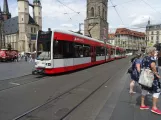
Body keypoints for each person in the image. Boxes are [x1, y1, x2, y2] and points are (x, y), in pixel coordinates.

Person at [140, 47, 161, 115]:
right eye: (155, 51)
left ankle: (142, 105)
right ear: (151, 52)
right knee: (157, 91)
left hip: (145, 78)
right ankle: (154, 108)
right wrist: (157, 74)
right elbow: (153, 66)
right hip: (152, 78)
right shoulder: (151, 58)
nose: (156, 52)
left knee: (144, 89)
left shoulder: (145, 58)